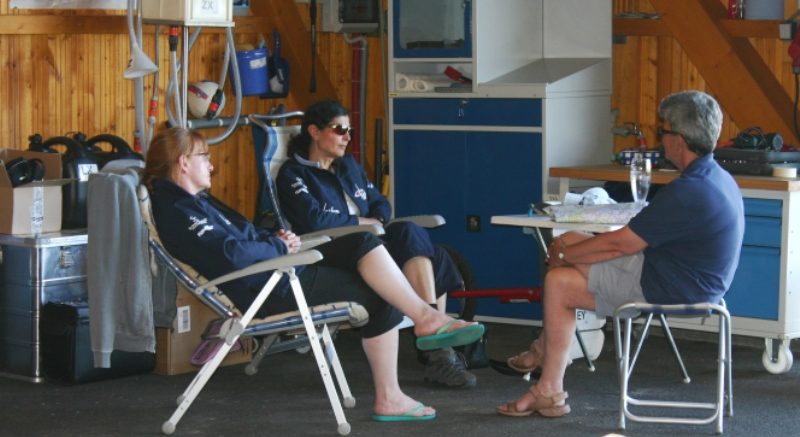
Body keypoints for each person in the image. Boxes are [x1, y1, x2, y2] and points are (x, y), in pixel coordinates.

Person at [141, 127, 485, 421]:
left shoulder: (196, 202)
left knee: (362, 242)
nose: (212, 165)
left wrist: (276, 238)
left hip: (276, 271)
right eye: (205, 157)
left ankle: (424, 320)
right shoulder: (178, 211)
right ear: (183, 162)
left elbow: (242, 238)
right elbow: (231, 254)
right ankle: (393, 389)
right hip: (267, 287)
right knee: (380, 293)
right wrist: (277, 247)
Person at [497, 90, 744, 417]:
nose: (660, 140)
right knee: (568, 241)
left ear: (679, 141)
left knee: (559, 279)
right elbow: (630, 241)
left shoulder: (689, 191)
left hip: (669, 286)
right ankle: (545, 365)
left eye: (663, 131)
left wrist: (565, 257)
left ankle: (548, 385)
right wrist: (569, 251)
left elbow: (621, 244)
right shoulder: (717, 178)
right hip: (685, 276)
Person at [276, 99, 476, 388]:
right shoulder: (293, 173)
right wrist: (365, 222)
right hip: (332, 249)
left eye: (350, 131)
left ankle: (434, 334)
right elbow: (316, 221)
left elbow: (380, 203)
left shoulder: (349, 166)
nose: (347, 137)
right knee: (412, 241)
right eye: (339, 129)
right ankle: (439, 348)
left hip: (372, 243)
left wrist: (377, 219)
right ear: (314, 132)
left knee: (427, 247)